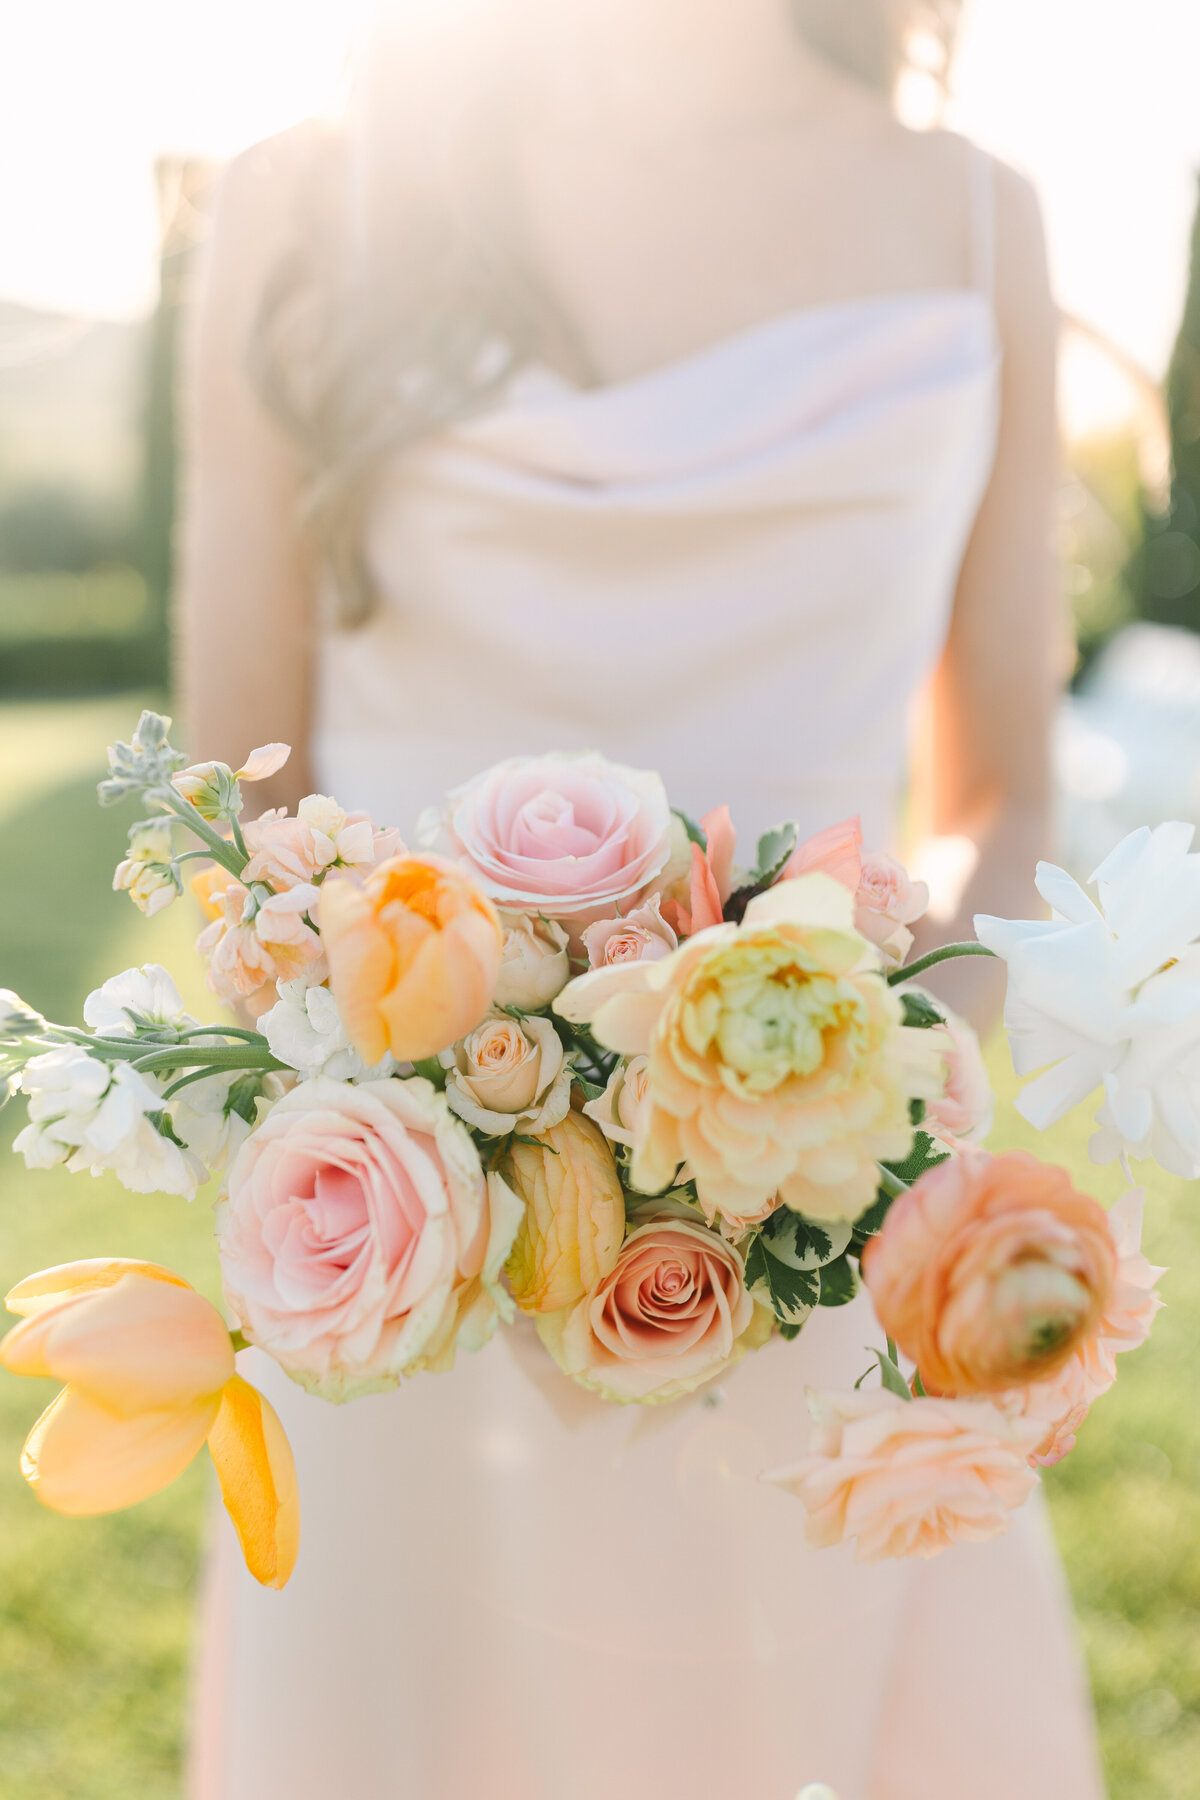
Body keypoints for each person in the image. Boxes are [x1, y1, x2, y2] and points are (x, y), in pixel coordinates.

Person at [179, 1, 1103, 1794]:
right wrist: (474, 1155)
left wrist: (858, 1110)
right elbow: (238, 799)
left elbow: (1001, 787)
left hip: (821, 1213)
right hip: (409, 1238)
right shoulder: (310, 201)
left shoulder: (980, 216)